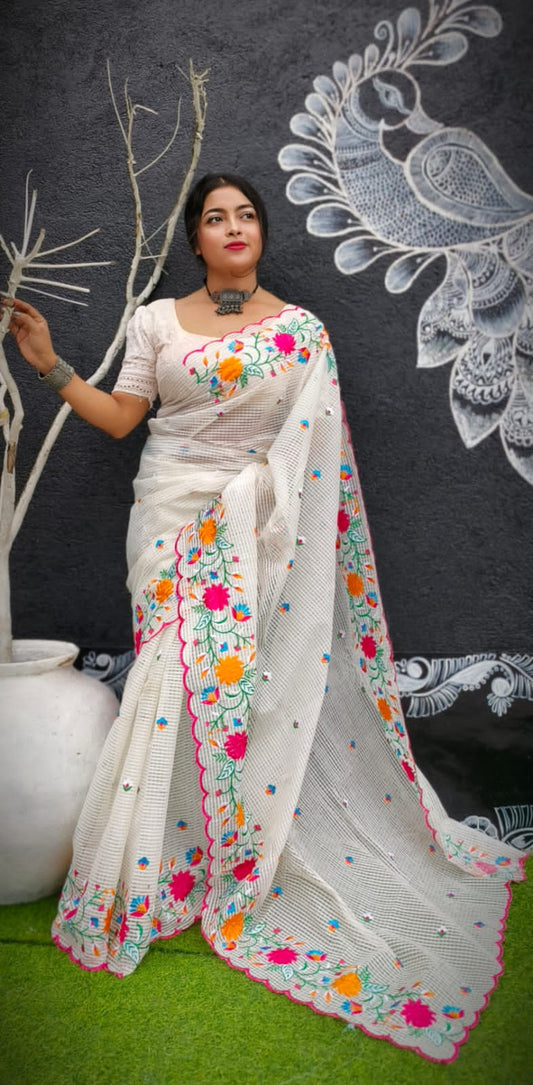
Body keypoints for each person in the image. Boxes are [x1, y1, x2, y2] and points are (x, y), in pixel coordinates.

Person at [3, 174, 525, 1062]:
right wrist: (49, 363)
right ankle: (158, 868)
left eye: (245, 215)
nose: (233, 226)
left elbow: (311, 451)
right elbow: (123, 419)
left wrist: (256, 511)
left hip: (261, 534)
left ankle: (241, 854)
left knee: (245, 695)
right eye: (216, 218)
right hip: (169, 524)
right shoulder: (156, 323)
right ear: (196, 241)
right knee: (171, 684)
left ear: (261, 233)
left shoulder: (302, 331)